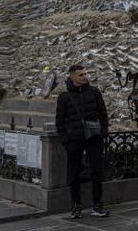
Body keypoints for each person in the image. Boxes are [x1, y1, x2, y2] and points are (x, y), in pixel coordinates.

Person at [55, 64, 110, 219]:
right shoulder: (64, 97)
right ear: (72, 77)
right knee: (73, 174)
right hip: (75, 140)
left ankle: (97, 206)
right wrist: (66, 141)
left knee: (97, 172)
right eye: (81, 75)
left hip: (94, 138)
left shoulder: (94, 92)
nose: (85, 77)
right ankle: (76, 207)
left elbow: (103, 113)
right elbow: (59, 121)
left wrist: (104, 131)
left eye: (86, 74)